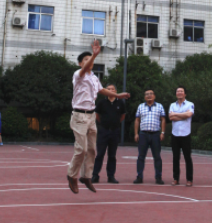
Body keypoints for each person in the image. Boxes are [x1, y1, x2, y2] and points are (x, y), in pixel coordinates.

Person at [67, 40, 130, 195]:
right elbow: (85, 69)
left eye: (91, 59)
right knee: (81, 149)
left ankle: (86, 176)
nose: (89, 61)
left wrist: (117, 95)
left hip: (90, 117)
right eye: (86, 59)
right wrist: (94, 55)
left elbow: (102, 90)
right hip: (79, 116)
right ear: (80, 63)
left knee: (92, 150)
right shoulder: (78, 74)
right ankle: (72, 175)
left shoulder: (94, 78)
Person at [91, 83, 126, 184]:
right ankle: (95, 175)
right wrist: (103, 124)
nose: (110, 90)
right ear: (105, 91)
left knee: (112, 155)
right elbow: (97, 115)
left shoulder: (120, 103)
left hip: (115, 131)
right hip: (103, 131)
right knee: (100, 154)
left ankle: (111, 176)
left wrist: (115, 123)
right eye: (108, 89)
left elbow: (122, 116)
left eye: (112, 89)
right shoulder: (101, 102)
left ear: (116, 91)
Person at [133, 89, 166, 185]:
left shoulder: (159, 106)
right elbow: (137, 120)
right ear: (144, 97)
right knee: (141, 156)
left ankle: (158, 177)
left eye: (151, 94)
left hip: (155, 134)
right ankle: (139, 176)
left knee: (157, 156)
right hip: (143, 134)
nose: (149, 96)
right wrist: (136, 133)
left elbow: (163, 119)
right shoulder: (140, 106)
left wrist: (162, 132)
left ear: (154, 96)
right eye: (147, 94)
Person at [169, 86, 194, 186]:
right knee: (175, 158)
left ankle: (189, 179)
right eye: (178, 91)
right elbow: (171, 117)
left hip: (185, 134)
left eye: (181, 91)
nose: (179, 92)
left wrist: (176, 114)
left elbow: (189, 115)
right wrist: (183, 115)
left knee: (187, 157)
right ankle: (176, 178)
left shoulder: (190, 104)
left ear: (185, 94)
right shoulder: (172, 105)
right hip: (175, 134)